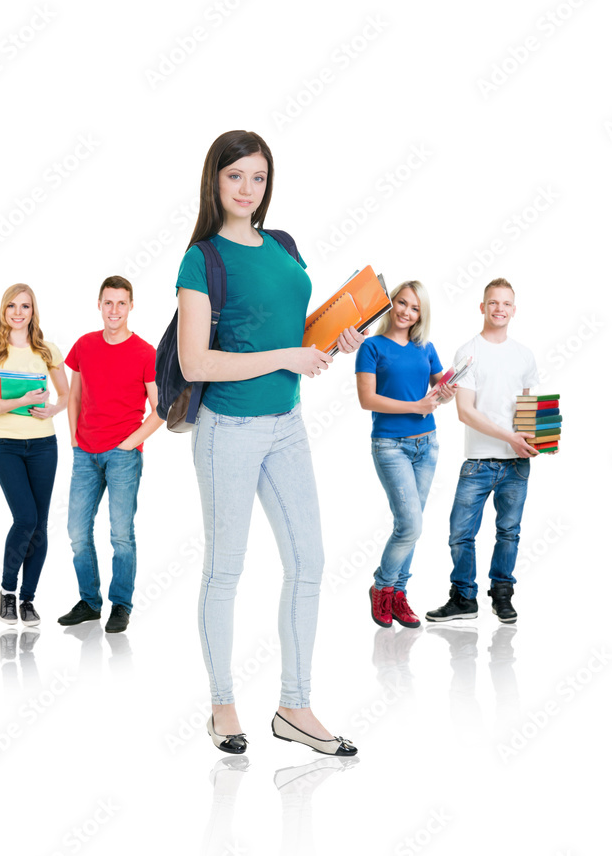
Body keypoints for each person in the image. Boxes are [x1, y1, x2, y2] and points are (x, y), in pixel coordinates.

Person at [176, 129, 362, 757]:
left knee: (308, 562)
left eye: (257, 177)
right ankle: (222, 704)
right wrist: (287, 354)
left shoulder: (283, 246)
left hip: (286, 425)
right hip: (227, 429)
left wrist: (329, 345)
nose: (247, 189)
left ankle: (295, 706)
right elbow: (197, 362)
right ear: (215, 182)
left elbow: (290, 332)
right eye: (235, 177)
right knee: (225, 570)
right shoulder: (201, 259)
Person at [424, 278, 539, 626]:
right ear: (482, 307)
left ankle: (502, 596)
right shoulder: (468, 353)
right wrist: (510, 436)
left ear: (514, 310)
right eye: (493, 302)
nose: (499, 308)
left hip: (517, 463)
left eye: (506, 303)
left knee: (509, 532)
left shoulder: (524, 355)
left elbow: (527, 408)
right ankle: (464, 597)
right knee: (461, 533)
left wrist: (539, 439)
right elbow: (465, 412)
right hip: (478, 463)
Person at [57, 276, 164, 634]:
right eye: (108, 303)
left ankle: (121, 605)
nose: (114, 310)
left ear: (131, 306)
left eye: (121, 303)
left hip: (122, 455)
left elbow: (161, 408)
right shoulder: (85, 346)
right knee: (76, 531)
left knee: (121, 534)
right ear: (99, 305)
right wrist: (73, 438)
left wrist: (131, 442)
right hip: (85, 453)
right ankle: (89, 602)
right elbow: (73, 395)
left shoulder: (146, 353)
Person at [355, 280, 456, 630]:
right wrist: (416, 405)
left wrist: (448, 389)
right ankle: (381, 587)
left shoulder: (425, 347)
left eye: (415, 308)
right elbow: (367, 399)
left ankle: (399, 594)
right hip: (390, 446)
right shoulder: (371, 347)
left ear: (420, 315)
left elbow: (440, 386)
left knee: (411, 527)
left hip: (427, 445)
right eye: (402, 303)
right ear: (391, 303)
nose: (406, 312)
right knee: (410, 525)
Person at [0, 283, 69, 627]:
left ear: (33, 312)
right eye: (12, 306)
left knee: (40, 525)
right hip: (5, 444)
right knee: (25, 518)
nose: (18, 312)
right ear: (4, 311)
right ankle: (7, 591)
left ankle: (28, 598)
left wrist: (52, 410)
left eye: (25, 306)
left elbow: (65, 395)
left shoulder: (47, 351)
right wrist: (23, 400)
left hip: (43, 444)